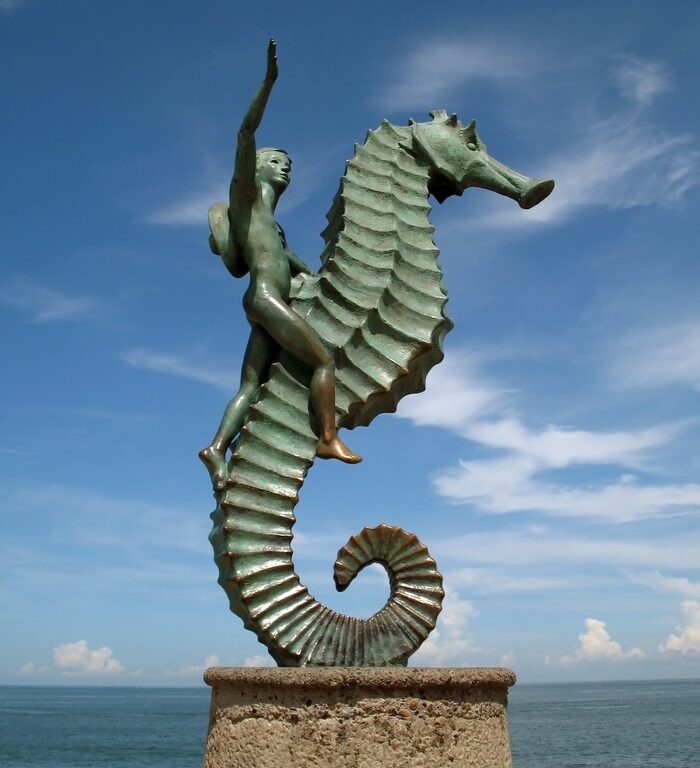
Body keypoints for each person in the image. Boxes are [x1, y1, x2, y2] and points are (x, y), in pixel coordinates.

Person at [199, 39, 361, 487]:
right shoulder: (246, 201)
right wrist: (269, 82)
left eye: (289, 163)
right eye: (276, 160)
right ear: (255, 169)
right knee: (323, 361)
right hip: (266, 299)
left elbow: (296, 265)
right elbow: (245, 133)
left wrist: (321, 276)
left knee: (251, 387)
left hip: (263, 305)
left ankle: (215, 449)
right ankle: (327, 437)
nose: (285, 166)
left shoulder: (272, 225)